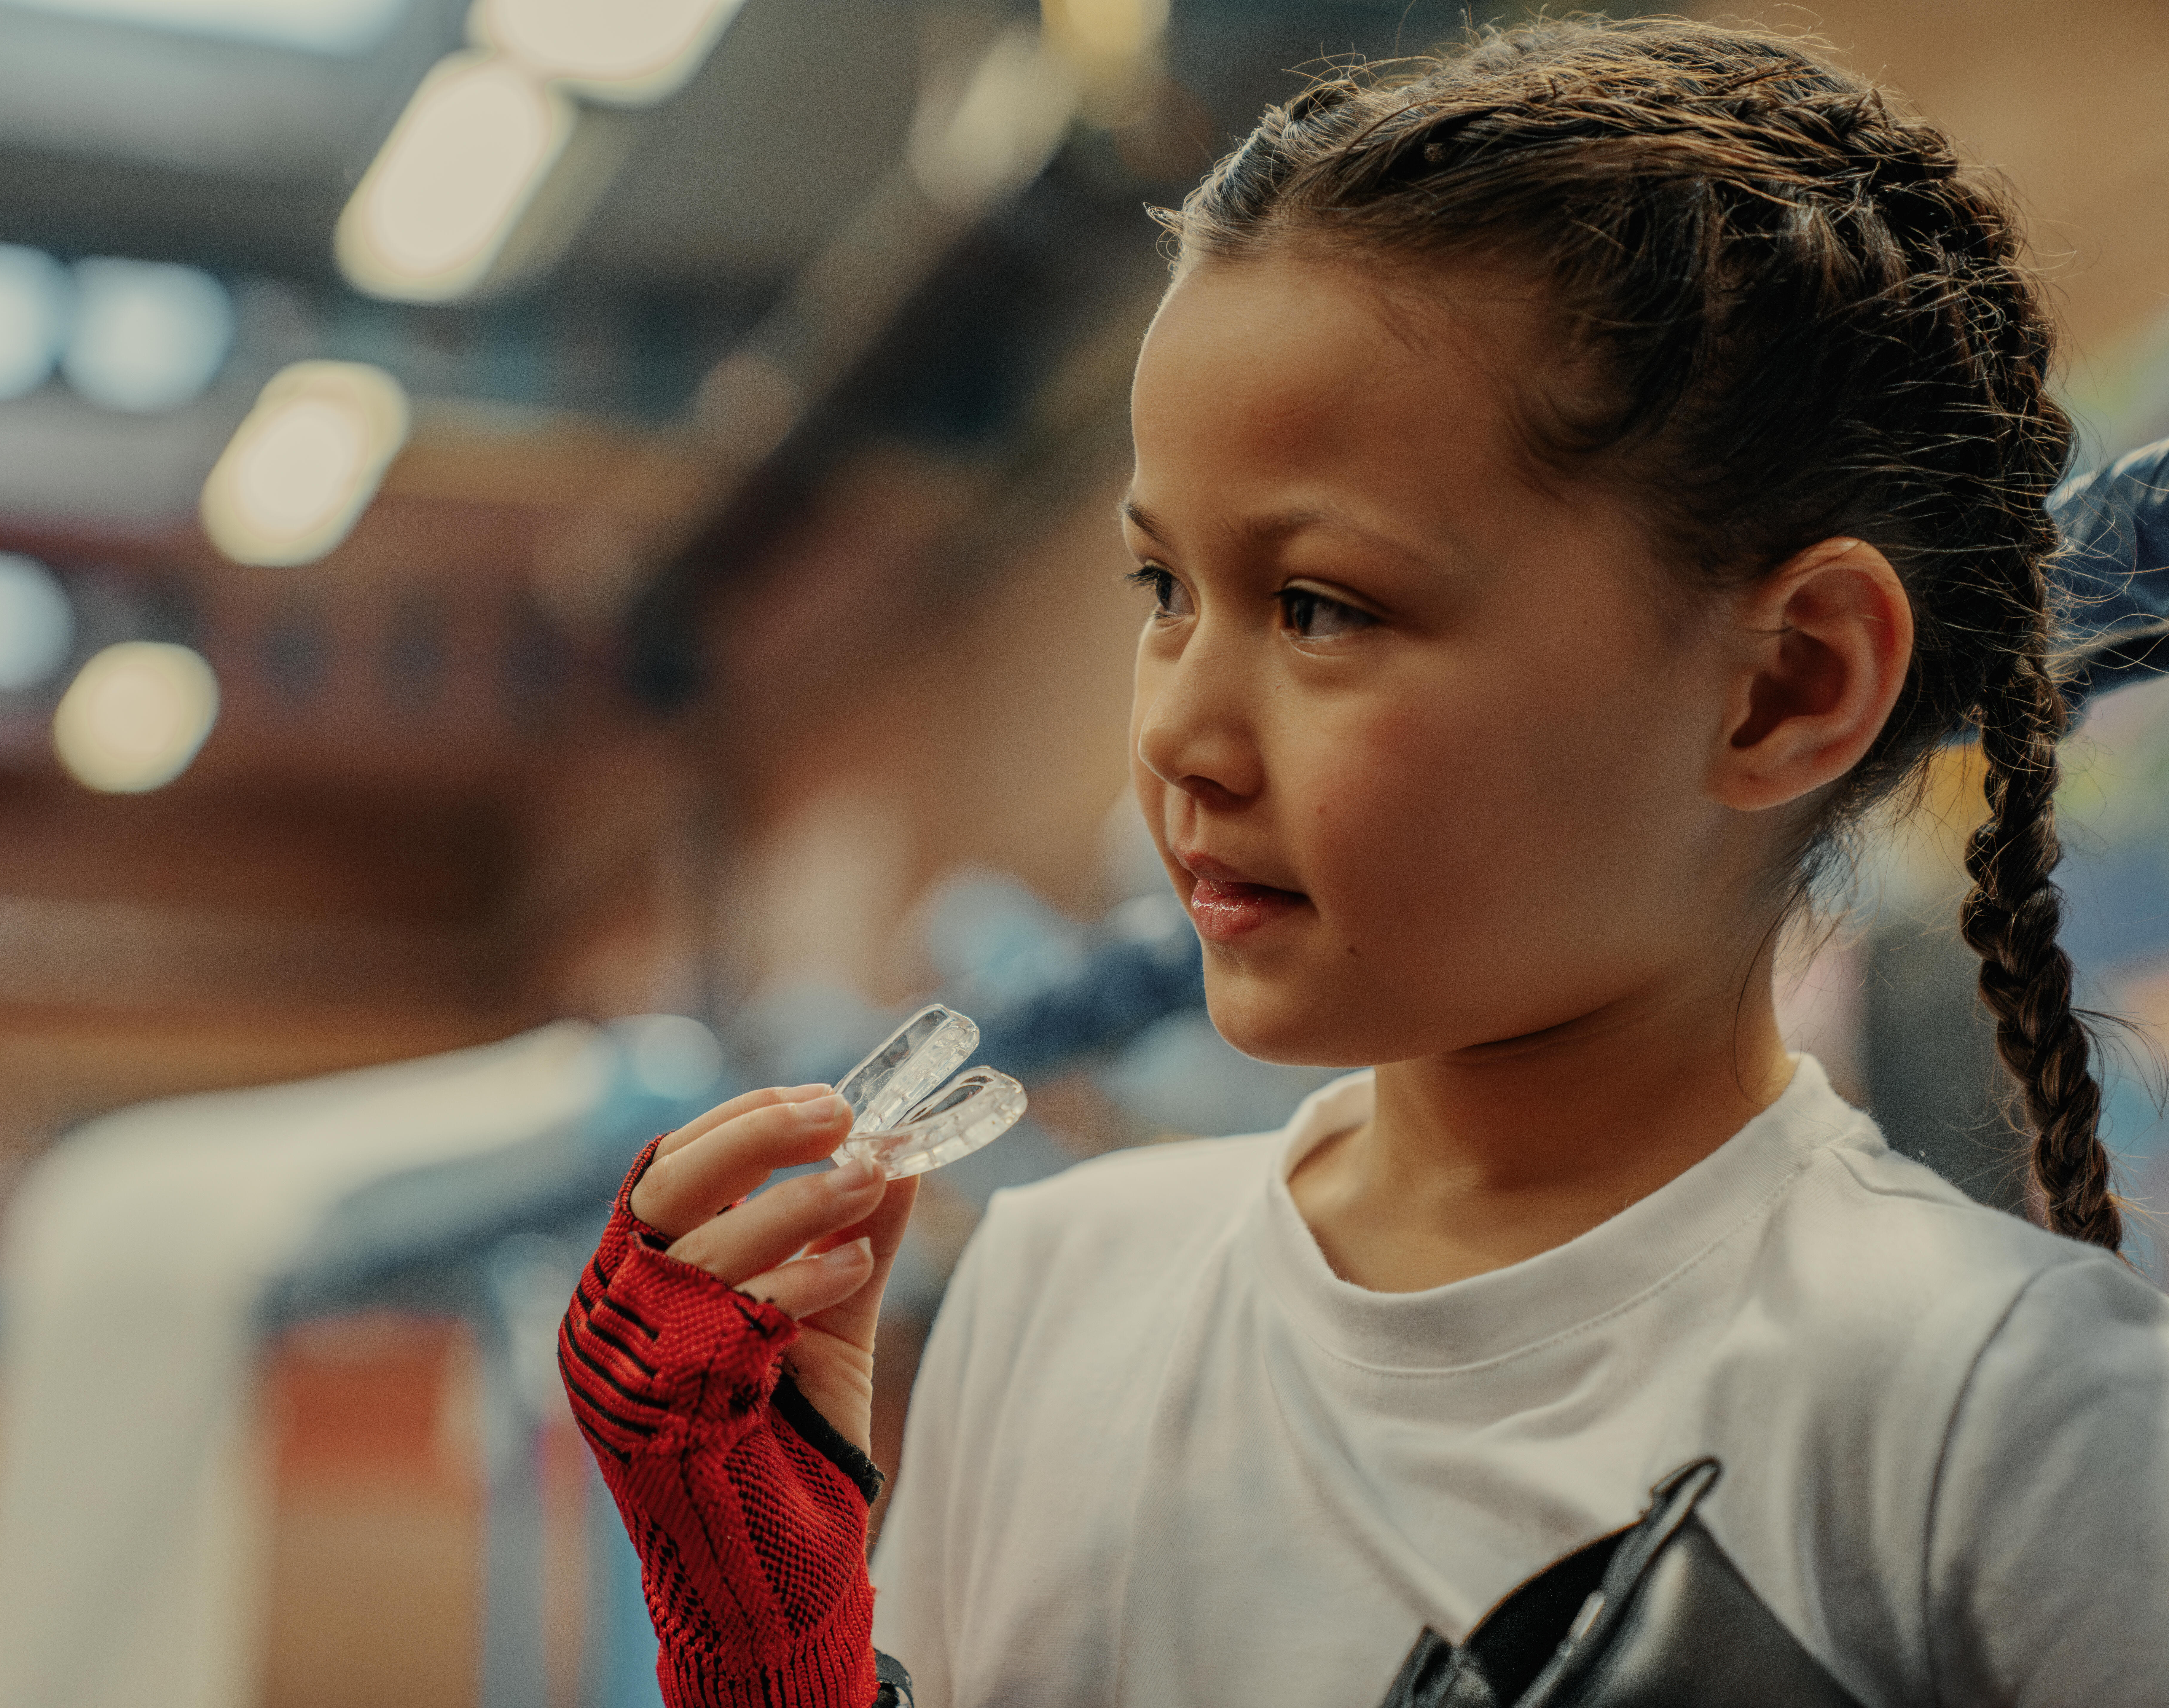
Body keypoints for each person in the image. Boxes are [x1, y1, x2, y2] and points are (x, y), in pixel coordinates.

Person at [559, 18, 2169, 1706]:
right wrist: (773, 1651)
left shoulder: (2005, 1418)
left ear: (1788, 685)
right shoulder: (1062, 1288)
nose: (1181, 730)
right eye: (1161, 590)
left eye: (1322, 607)